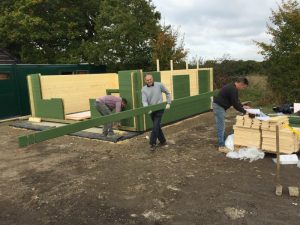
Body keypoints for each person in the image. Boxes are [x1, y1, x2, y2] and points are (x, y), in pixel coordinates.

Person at [213, 77, 250, 153]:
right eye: (244, 87)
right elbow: (235, 104)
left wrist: (243, 106)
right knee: (221, 125)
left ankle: (222, 142)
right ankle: (221, 146)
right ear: (241, 84)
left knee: (222, 125)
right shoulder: (233, 89)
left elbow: (236, 100)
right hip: (219, 107)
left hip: (220, 106)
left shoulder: (232, 87)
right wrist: (244, 111)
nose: (243, 88)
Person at [142, 74, 172, 151]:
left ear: (152, 79)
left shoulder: (159, 85)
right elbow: (144, 101)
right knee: (157, 126)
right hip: (151, 110)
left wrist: (168, 103)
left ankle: (152, 143)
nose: (149, 81)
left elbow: (168, 92)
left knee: (155, 125)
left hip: (160, 108)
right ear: (145, 81)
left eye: (150, 79)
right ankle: (163, 141)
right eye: (147, 80)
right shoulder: (144, 89)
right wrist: (147, 108)